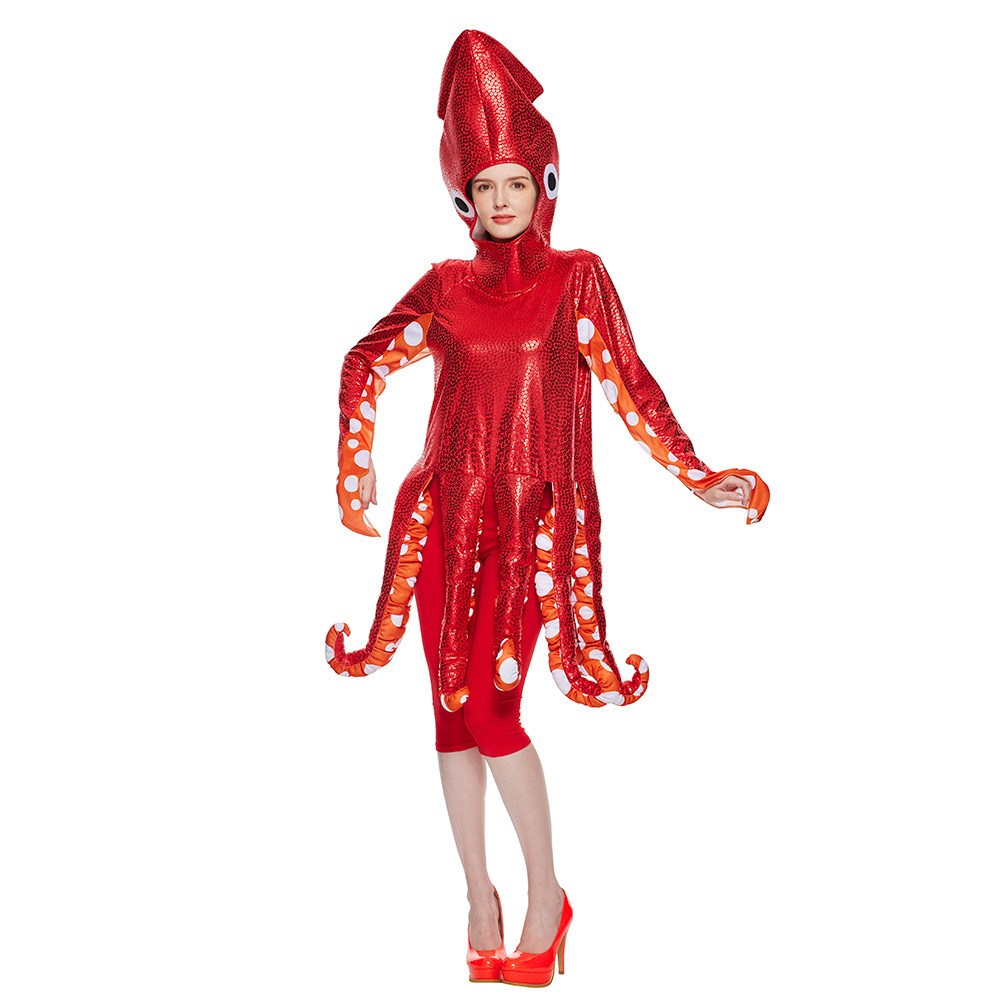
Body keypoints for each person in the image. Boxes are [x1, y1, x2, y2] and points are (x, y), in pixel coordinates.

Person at [325, 30, 769, 987]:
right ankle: (477, 899)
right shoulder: (445, 287)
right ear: (463, 198)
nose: (500, 200)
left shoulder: (578, 278)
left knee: (495, 710)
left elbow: (630, 383)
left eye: (515, 183)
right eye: (482, 186)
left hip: (530, 528)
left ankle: (545, 895)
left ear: (546, 184)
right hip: (442, 520)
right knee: (450, 718)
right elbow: (364, 357)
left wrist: (696, 475)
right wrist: (357, 467)